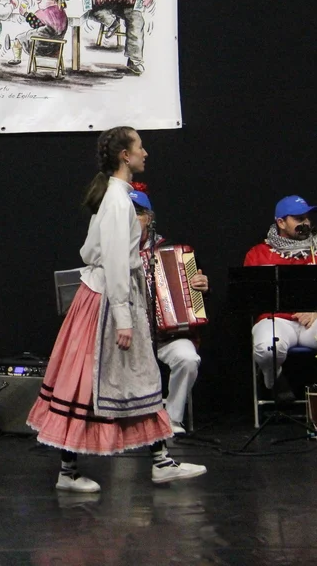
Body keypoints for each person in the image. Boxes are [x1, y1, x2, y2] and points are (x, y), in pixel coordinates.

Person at [27, 126, 206, 492]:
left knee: (139, 377)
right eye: (140, 147)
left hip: (110, 296)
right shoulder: (117, 201)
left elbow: (97, 252)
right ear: (125, 155)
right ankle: (69, 470)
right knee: (88, 381)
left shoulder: (116, 197)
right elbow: (113, 261)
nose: (145, 153)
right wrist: (123, 316)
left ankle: (159, 460)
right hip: (107, 299)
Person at [245, 194, 317, 401]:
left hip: (313, 321)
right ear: (281, 222)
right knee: (267, 347)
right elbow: (250, 298)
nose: (306, 223)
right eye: (299, 218)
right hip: (276, 321)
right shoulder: (258, 254)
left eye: (308, 218)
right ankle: (273, 379)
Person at [131, 186, 207, 435]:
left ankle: (172, 419)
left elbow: (194, 293)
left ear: (149, 218)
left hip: (166, 337)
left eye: (137, 213)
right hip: (128, 339)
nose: (130, 219)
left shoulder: (173, 250)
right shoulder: (110, 252)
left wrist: (200, 287)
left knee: (188, 359)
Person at [5, 0, 69, 67]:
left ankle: (16, 55)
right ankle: (13, 44)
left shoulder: (46, 13)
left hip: (41, 47)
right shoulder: (61, 12)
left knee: (20, 38)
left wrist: (25, 14)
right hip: (56, 47)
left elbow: (36, 24)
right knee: (30, 34)